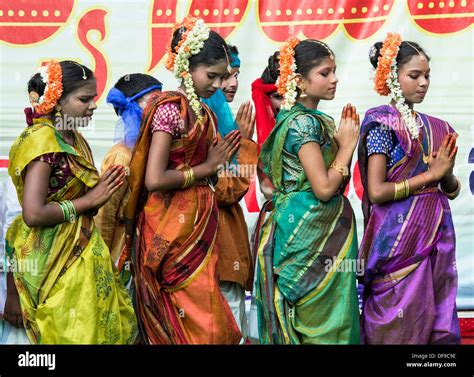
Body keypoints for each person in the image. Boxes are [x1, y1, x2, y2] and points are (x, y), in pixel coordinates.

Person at [123, 16, 242, 344]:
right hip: (169, 230)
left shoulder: (207, 115)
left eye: (224, 76)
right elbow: (154, 178)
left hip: (197, 226)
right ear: (187, 67)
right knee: (201, 321)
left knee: (209, 316)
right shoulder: (169, 111)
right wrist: (208, 168)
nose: (218, 85)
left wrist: (216, 168)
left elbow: (211, 170)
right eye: (212, 76)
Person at [4, 60, 137, 344]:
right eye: (84, 99)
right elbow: (33, 214)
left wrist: (99, 195)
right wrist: (90, 199)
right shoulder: (43, 142)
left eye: (94, 98)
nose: (93, 106)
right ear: (58, 101)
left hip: (82, 252)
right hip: (46, 258)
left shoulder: (75, 140)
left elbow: (83, 201)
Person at [255, 37, 361, 344]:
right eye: (325, 73)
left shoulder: (311, 120)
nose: (334, 79)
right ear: (300, 81)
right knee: (323, 329)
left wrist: (343, 146)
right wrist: (347, 147)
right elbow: (325, 187)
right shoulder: (303, 124)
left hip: (317, 233)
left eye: (335, 71)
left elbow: (334, 179)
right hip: (307, 235)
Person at [358, 33, 461, 344]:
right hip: (397, 239)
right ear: (392, 78)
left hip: (436, 233)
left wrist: (445, 175)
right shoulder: (381, 125)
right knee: (399, 319)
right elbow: (377, 192)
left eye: (427, 75)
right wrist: (432, 176)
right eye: (414, 75)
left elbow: (451, 189)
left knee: (435, 313)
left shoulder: (439, 127)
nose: (423, 83)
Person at [202, 45, 258, 341]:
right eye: (225, 76)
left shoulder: (220, 120)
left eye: (236, 74)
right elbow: (226, 191)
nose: (233, 83)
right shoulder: (204, 121)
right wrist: (245, 145)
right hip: (215, 251)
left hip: (223, 249)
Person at [95, 74, 162, 287]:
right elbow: (104, 216)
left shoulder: (158, 150)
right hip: (122, 254)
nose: (161, 108)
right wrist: (100, 268)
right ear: (132, 107)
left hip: (150, 252)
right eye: (153, 101)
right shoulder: (121, 157)